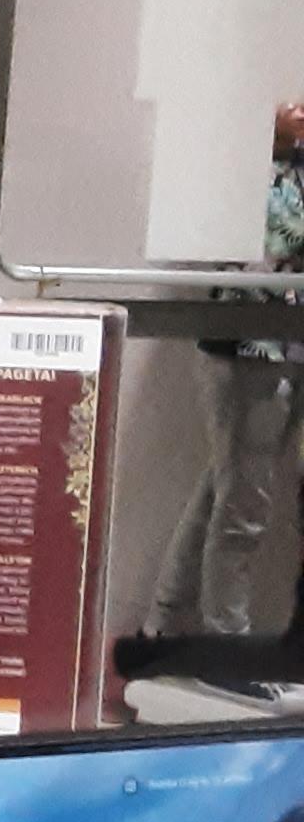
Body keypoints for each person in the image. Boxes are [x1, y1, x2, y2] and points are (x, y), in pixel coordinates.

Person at [150, 101, 304, 637]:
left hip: (286, 345)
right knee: (243, 507)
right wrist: (266, 136)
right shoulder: (237, 167)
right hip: (246, 346)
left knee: (226, 487)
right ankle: (224, 644)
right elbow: (280, 238)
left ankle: (165, 623)